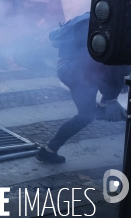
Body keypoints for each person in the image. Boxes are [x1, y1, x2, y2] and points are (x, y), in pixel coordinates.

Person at [37, 13, 130, 163]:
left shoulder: (102, 15)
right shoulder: (118, 28)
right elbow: (104, 63)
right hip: (79, 72)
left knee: (88, 113)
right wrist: (111, 98)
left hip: (69, 68)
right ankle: (49, 150)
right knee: (86, 115)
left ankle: (49, 150)